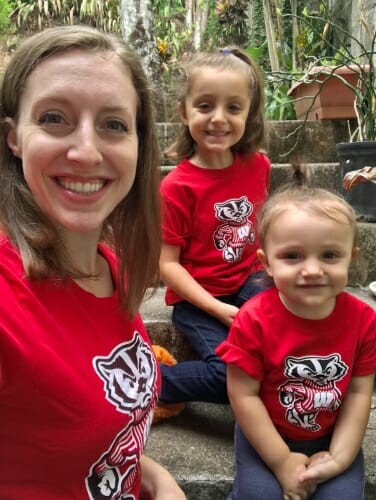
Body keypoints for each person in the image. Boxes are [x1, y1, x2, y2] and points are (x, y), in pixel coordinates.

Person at [0, 25, 186, 500]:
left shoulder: (111, 267)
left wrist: (154, 477)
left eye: (113, 124)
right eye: (55, 117)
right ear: (13, 137)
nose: (86, 150)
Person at [216, 168, 376, 499]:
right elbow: (243, 396)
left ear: (352, 258)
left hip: (332, 435)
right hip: (264, 434)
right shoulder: (253, 321)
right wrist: (281, 461)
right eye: (292, 256)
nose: (313, 270)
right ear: (267, 263)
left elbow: (360, 394)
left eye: (330, 255)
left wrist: (339, 458)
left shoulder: (364, 321)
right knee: (259, 495)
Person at [157, 46, 271, 412]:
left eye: (233, 108)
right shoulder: (176, 187)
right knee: (228, 376)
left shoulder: (258, 166)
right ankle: (151, 381)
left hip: (249, 281)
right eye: (205, 106)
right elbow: (167, 265)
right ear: (184, 111)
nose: (219, 119)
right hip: (198, 300)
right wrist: (217, 310)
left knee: (288, 340)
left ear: (248, 113)